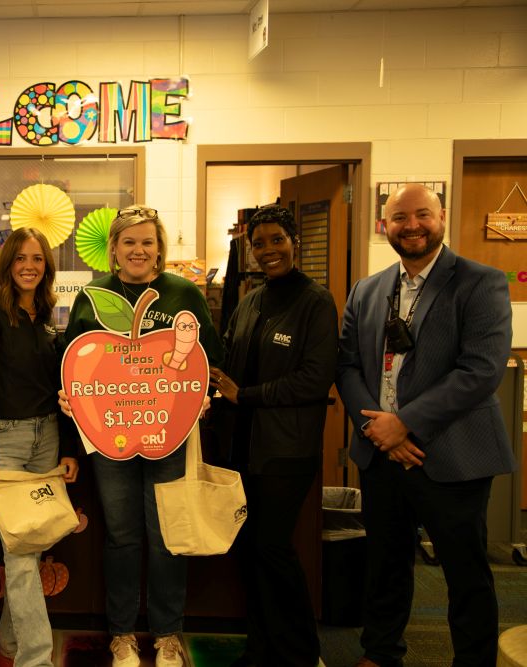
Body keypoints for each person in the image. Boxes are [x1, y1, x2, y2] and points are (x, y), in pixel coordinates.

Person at [336, 183, 515, 667]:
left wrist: (406, 424)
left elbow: (480, 370)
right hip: (381, 454)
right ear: (385, 225)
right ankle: (381, 653)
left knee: (465, 572)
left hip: (452, 454)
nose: (411, 225)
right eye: (399, 217)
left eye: (422, 215)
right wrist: (379, 431)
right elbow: (347, 366)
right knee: (385, 564)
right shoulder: (367, 290)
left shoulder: (480, 282)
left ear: (442, 218)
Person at [61, 205, 223, 667]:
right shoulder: (93, 297)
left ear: (159, 248)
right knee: (122, 537)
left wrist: (203, 392)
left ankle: (167, 634)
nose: (138, 250)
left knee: (167, 534)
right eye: (129, 242)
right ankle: (122, 635)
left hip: (169, 435)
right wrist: (70, 396)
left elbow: (211, 358)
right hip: (110, 438)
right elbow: (71, 360)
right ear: (113, 249)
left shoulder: (182, 293)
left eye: (147, 242)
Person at [209, 205, 337, 667]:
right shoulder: (250, 302)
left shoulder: (315, 302)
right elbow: (228, 362)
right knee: (250, 551)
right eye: (259, 243)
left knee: (272, 548)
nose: (268, 251)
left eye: (277, 240)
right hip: (243, 449)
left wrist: (245, 395)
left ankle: (300, 651)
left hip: (286, 451)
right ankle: (261, 648)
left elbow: (314, 379)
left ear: (294, 242)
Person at [0, 227, 79, 667]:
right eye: (20, 258)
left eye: (36, 258)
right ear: (7, 264)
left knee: (28, 549)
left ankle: (11, 642)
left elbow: (59, 387)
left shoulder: (47, 313)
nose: (29, 266)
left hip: (46, 438)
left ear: (46, 265)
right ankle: (36, 658)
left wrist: (67, 447)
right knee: (19, 553)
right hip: (5, 441)